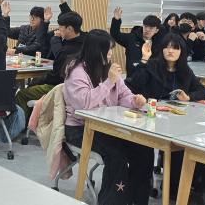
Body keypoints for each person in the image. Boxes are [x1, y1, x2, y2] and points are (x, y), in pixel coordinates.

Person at [62, 29, 151, 205]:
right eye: (107, 49)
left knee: (144, 150)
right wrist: (109, 81)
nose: (110, 53)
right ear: (95, 50)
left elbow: (123, 95)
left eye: (111, 49)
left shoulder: (109, 70)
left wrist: (134, 100)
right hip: (80, 129)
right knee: (116, 154)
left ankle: (136, 199)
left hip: (107, 127)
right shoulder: (77, 72)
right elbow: (84, 104)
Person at [126, 33, 205, 197]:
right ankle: (144, 188)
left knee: (194, 145)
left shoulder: (185, 71)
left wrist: (189, 97)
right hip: (150, 120)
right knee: (143, 152)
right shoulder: (152, 65)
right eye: (167, 47)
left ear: (182, 51)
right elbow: (132, 84)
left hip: (176, 122)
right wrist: (144, 60)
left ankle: (180, 189)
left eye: (175, 48)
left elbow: (204, 92)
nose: (170, 51)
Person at [15, 0, 84, 124]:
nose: (58, 29)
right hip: (67, 85)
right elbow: (42, 40)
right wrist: (47, 20)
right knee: (33, 85)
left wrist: (56, 40)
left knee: (22, 94)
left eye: (61, 27)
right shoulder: (84, 38)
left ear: (69, 29)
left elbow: (57, 67)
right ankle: (33, 119)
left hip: (59, 86)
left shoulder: (63, 45)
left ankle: (21, 125)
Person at [110, 7, 162, 74]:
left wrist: (157, 21)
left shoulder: (158, 42)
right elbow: (115, 34)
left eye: (151, 28)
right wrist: (116, 20)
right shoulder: (132, 38)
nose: (147, 30)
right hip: (132, 76)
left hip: (151, 77)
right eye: (145, 26)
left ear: (156, 30)